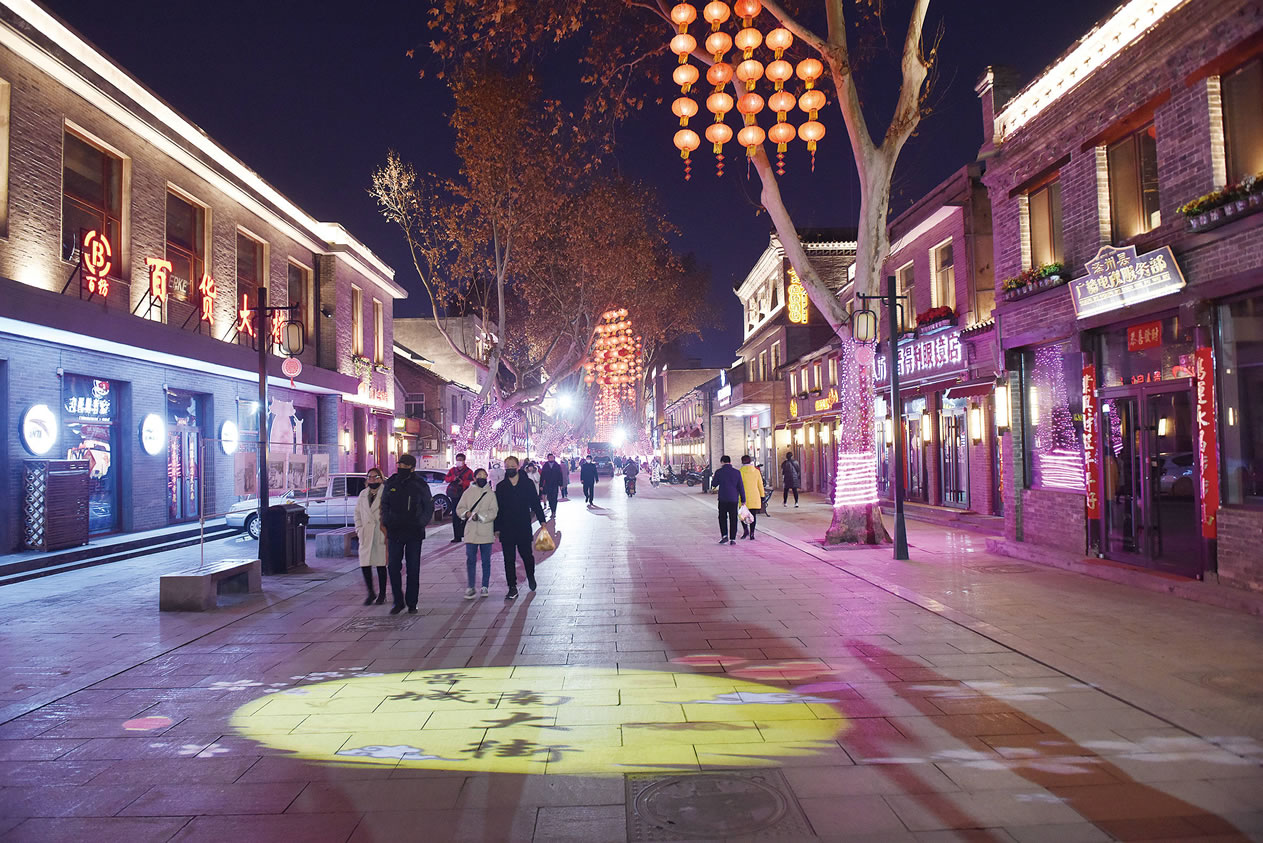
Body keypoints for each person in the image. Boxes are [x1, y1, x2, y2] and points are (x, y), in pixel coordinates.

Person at [380, 453, 434, 614]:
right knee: (393, 567)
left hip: (414, 532)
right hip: (395, 531)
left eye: (405, 466)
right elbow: (384, 504)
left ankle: (412, 602)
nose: (401, 468)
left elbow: (428, 507)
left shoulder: (420, 484)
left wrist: (420, 523)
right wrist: (388, 520)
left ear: (412, 468)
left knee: (413, 568)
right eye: (400, 465)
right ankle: (398, 601)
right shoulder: (392, 482)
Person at [494, 455, 548, 599]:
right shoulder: (501, 486)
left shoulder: (527, 483)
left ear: (518, 467)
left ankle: (530, 575)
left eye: (512, 466)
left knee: (527, 556)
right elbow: (498, 509)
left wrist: (542, 520)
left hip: (523, 525)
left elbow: (535, 503)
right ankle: (512, 587)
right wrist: (496, 528)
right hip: (506, 527)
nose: (510, 468)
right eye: (507, 466)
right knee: (508, 559)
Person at [456, 467, 498, 599]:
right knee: (471, 560)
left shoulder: (490, 494)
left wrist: (480, 516)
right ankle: (471, 586)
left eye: (484, 475)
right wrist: (467, 514)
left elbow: (494, 511)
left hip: (485, 530)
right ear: (474, 478)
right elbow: (460, 508)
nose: (482, 477)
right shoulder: (467, 493)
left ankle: (485, 586)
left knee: (486, 560)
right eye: (479, 475)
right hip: (471, 531)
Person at [353, 467, 388, 605]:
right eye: (369, 477)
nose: (372, 479)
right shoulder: (363, 494)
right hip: (366, 533)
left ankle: (382, 594)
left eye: (375, 477)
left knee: (381, 565)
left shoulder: (386, 493)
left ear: (381, 478)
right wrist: (359, 529)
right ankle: (370, 592)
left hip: (380, 532)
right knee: (365, 564)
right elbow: (357, 513)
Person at [713, 455, 744, 545]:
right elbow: (741, 487)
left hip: (723, 499)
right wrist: (743, 499)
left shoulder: (719, 472)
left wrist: (715, 478)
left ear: (722, 462)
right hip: (733, 499)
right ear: (730, 462)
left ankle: (724, 536)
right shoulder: (737, 472)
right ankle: (733, 538)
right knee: (733, 518)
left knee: (722, 517)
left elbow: (714, 484)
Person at [444, 453, 475, 543]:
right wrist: (453, 478)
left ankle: (465, 534)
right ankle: (457, 536)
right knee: (455, 516)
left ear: (464, 461)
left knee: (465, 515)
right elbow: (446, 479)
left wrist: (463, 482)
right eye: (457, 460)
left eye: (461, 460)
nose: (459, 462)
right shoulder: (452, 470)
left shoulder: (469, 471)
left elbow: (472, 482)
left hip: (465, 495)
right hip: (454, 496)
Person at [740, 455, 766, 540]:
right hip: (754, 497)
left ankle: (745, 531)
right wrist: (762, 495)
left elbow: (738, 486)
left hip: (743, 497)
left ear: (742, 462)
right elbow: (760, 485)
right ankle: (752, 533)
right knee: (753, 515)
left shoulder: (740, 472)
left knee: (743, 515)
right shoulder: (756, 471)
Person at [540, 453, 564, 519]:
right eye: (550, 457)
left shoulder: (557, 465)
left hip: (555, 484)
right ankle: (551, 509)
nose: (551, 458)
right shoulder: (545, 466)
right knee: (549, 498)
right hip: (548, 484)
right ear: (548, 458)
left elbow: (560, 475)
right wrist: (541, 485)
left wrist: (561, 484)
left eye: (552, 457)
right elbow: (542, 476)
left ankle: (554, 511)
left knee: (554, 498)